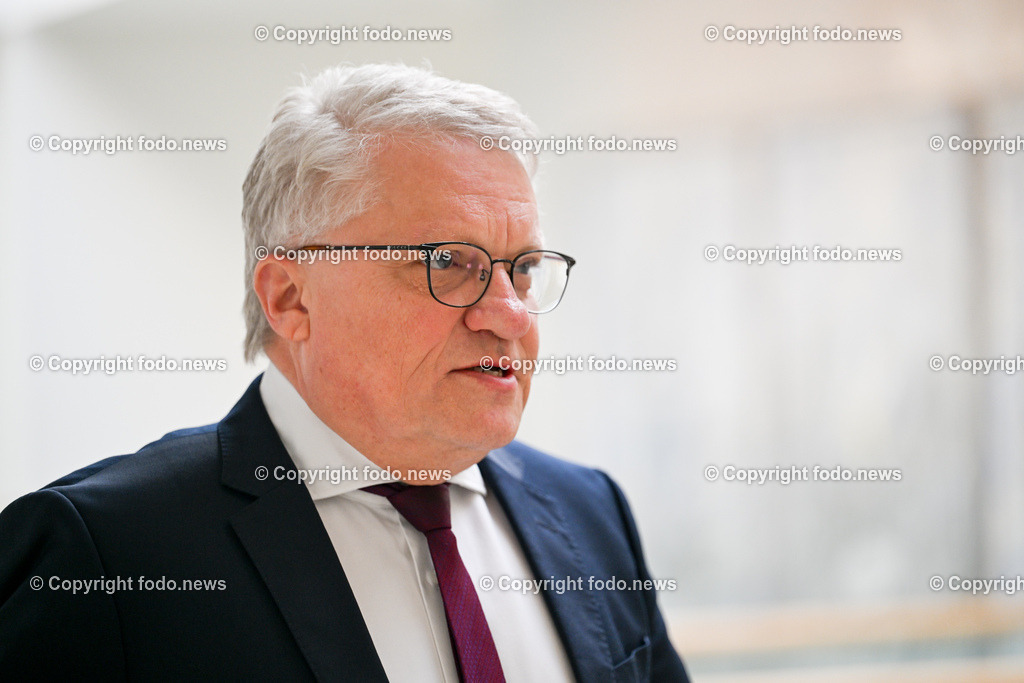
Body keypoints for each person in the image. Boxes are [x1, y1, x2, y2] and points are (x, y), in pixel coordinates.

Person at [0, 63, 688, 682]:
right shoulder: (106, 554)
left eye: (525, 268)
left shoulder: (589, 510)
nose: (508, 314)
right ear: (290, 297)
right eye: (448, 262)